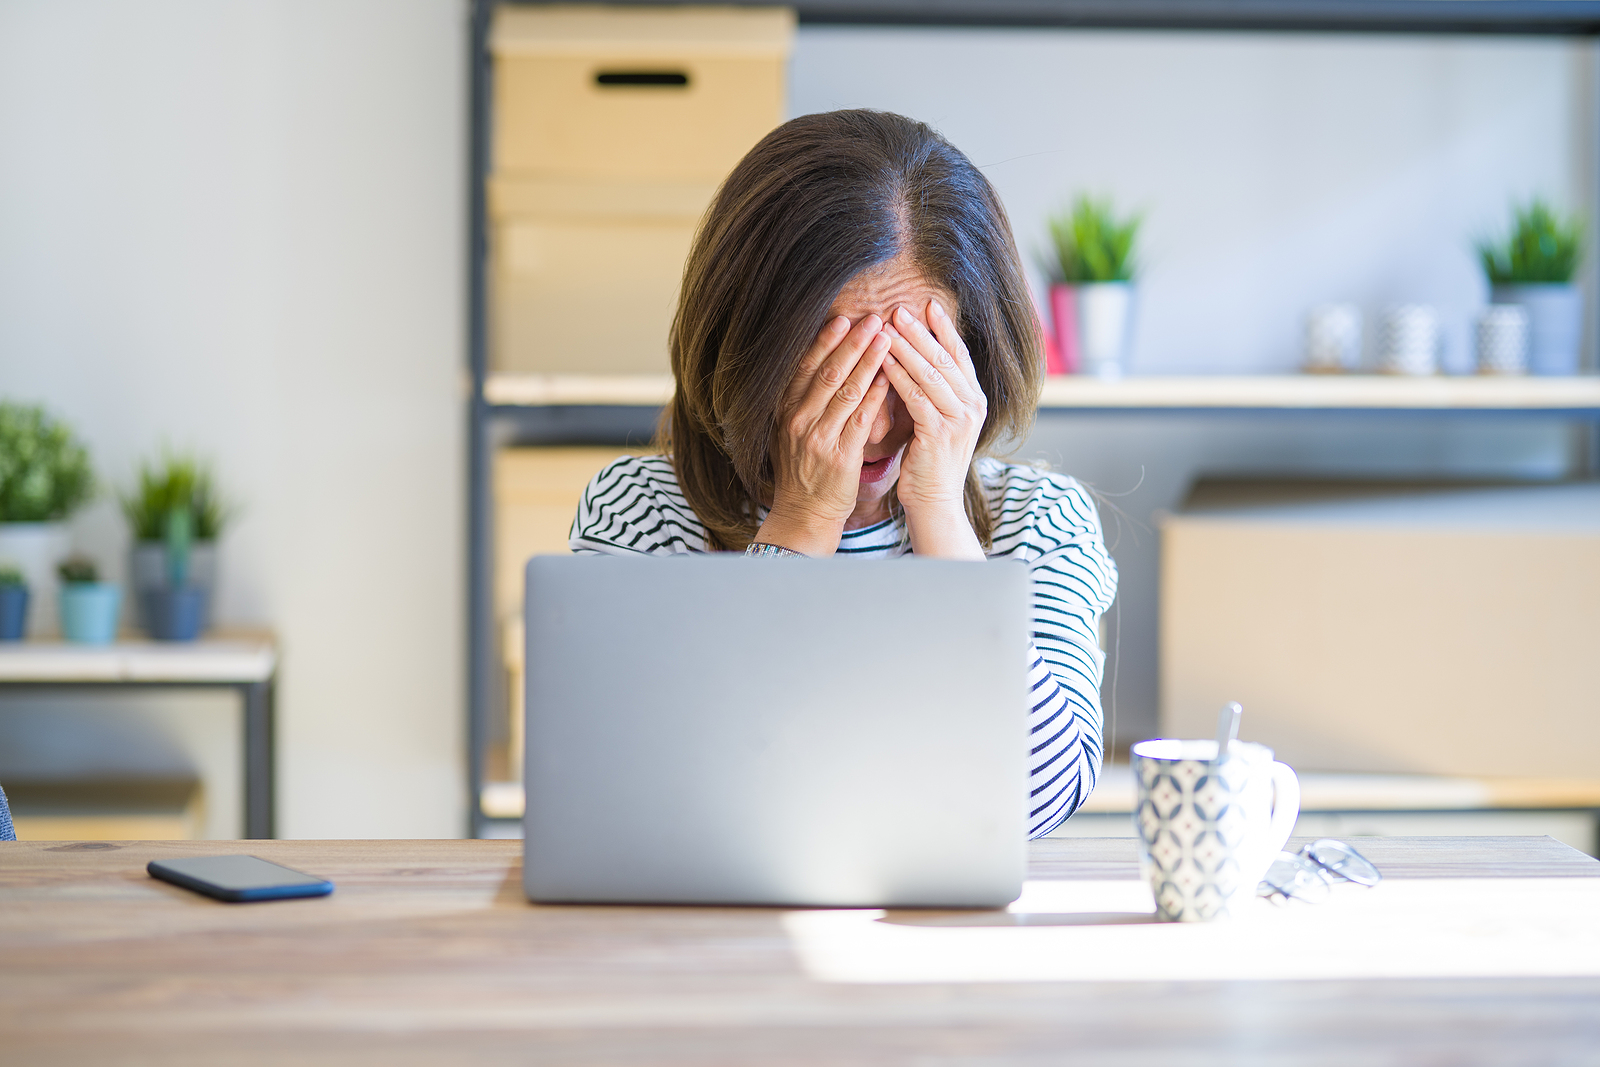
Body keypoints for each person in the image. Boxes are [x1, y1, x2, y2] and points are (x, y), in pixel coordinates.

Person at [570, 109, 1118, 838]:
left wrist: (940, 519)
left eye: (914, 365)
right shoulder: (640, 511)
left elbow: (1038, 800)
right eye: (838, 368)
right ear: (748, 344)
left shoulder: (1040, 521)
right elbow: (653, 794)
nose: (874, 420)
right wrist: (801, 523)